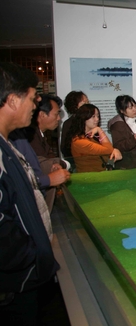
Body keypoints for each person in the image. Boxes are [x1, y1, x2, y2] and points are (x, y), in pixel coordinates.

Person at [0, 62, 59, 324]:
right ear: (13, 100)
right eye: (32, 97)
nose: (36, 104)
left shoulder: (8, 146)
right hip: (14, 285)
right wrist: (34, 255)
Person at [67, 104, 122, 172]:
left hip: (100, 174)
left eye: (97, 116)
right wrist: (99, 130)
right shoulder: (79, 141)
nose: (97, 119)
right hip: (89, 176)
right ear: (84, 117)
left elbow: (107, 156)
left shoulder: (90, 137)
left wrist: (114, 153)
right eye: (93, 116)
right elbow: (108, 150)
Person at [108, 95, 136, 169]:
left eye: (135, 106)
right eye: (130, 108)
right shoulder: (118, 125)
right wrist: (133, 140)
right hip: (126, 166)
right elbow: (118, 146)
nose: (134, 109)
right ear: (122, 110)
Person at [60, 90, 89, 161]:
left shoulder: (91, 121)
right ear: (74, 106)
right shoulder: (68, 124)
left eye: (88, 102)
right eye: (84, 103)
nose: (88, 106)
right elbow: (64, 148)